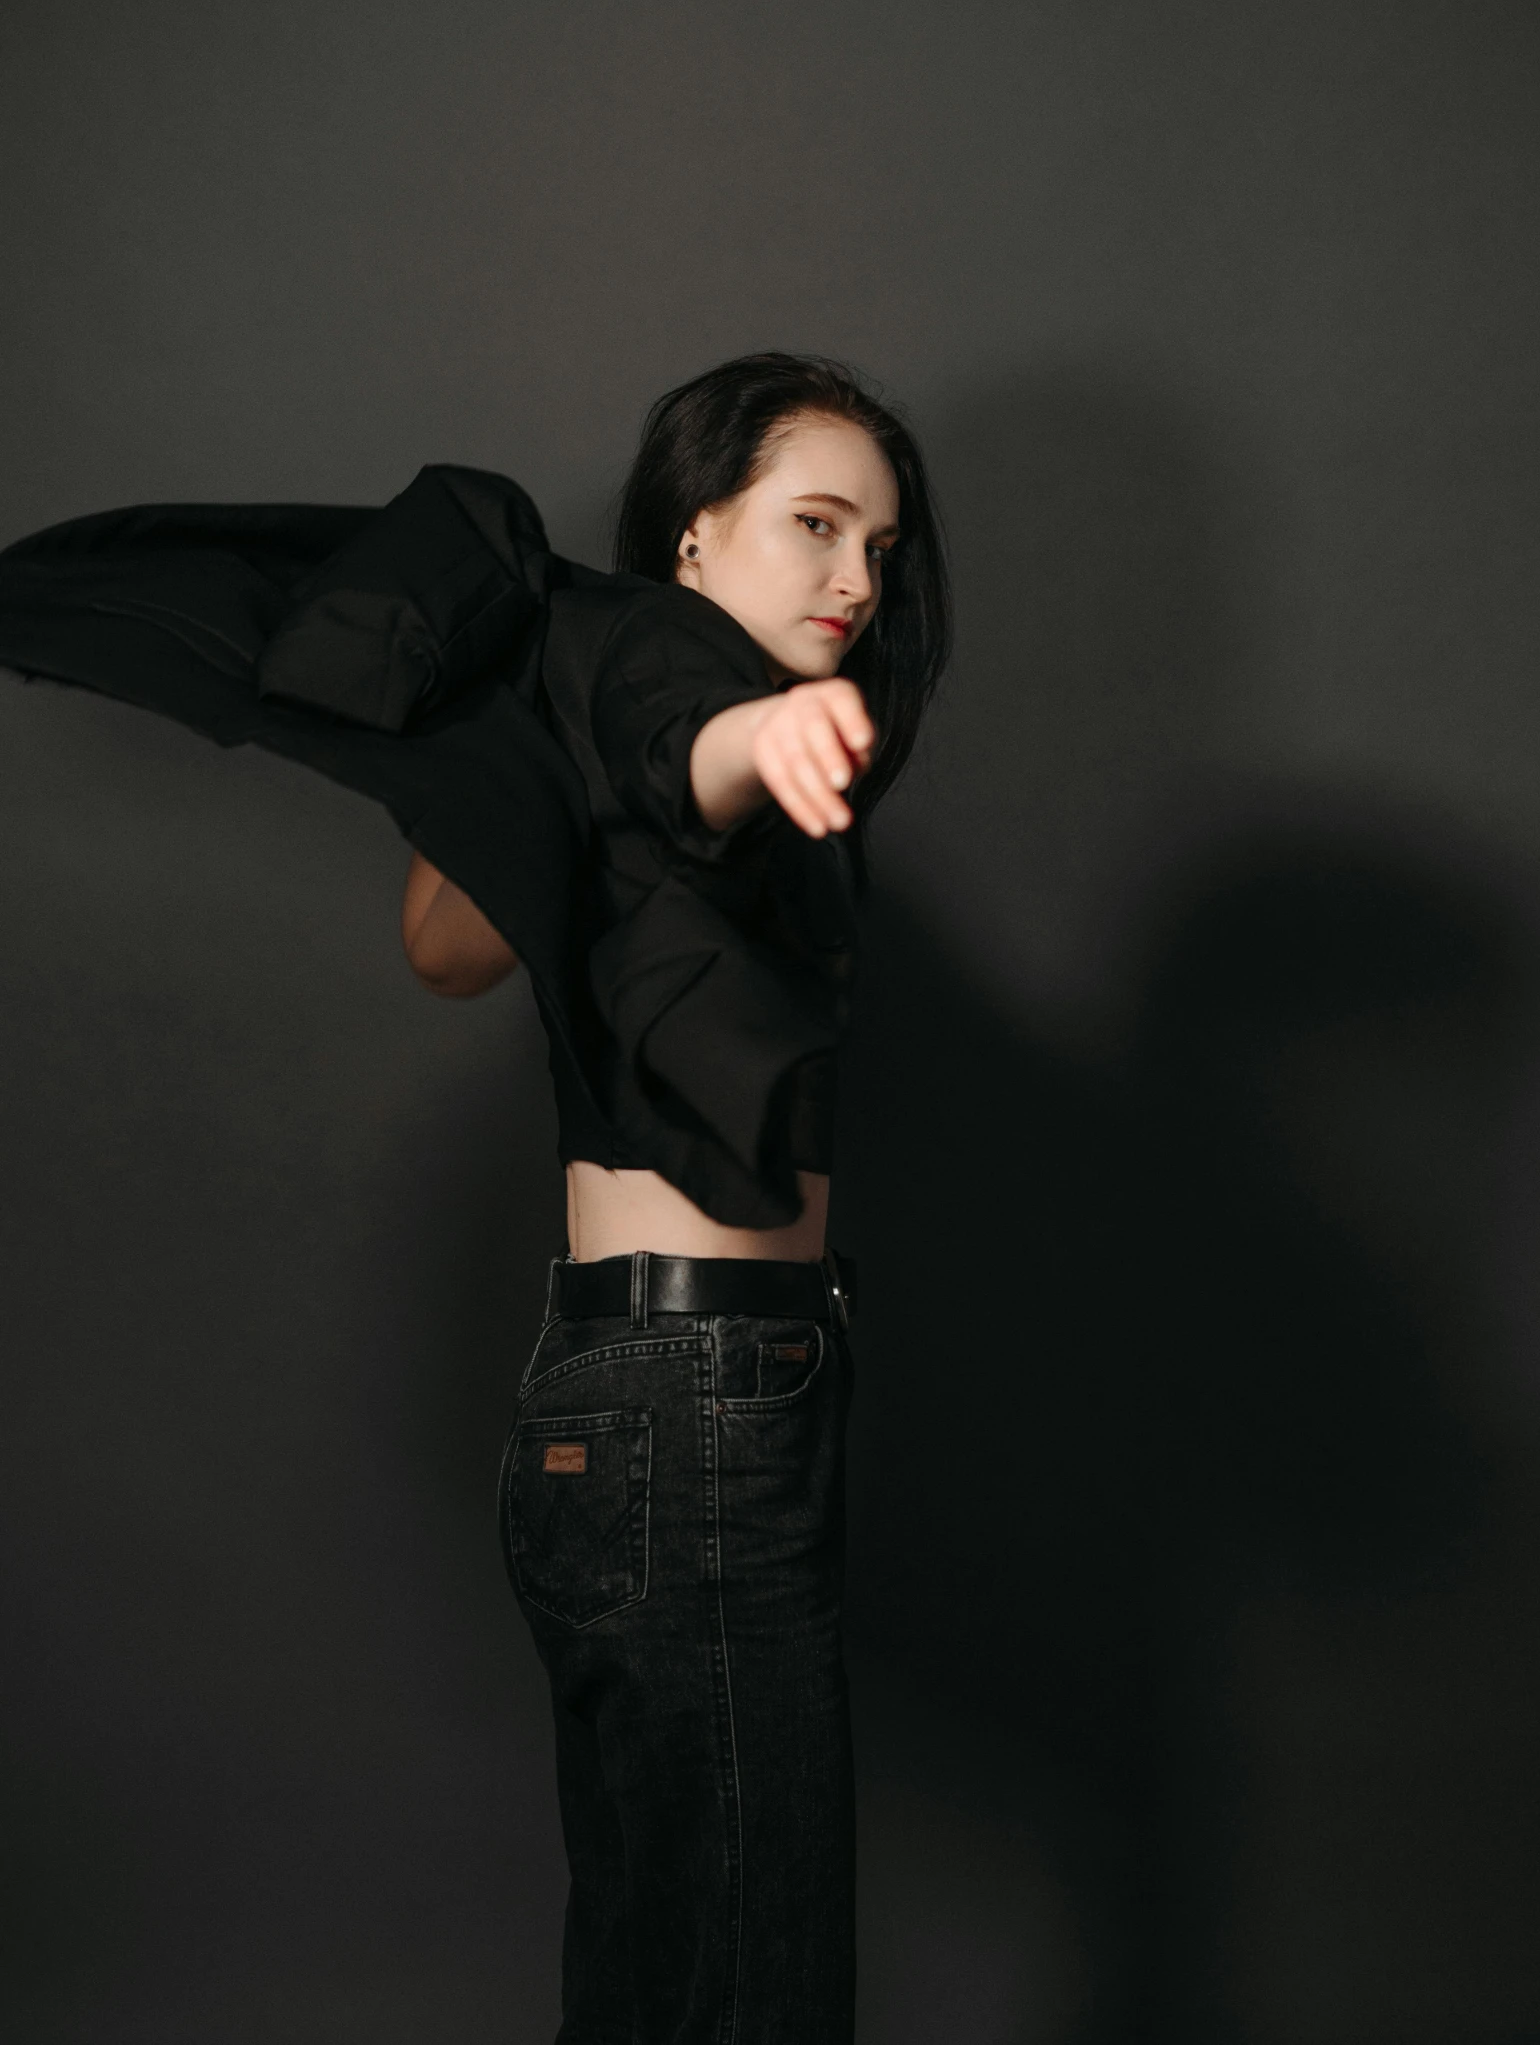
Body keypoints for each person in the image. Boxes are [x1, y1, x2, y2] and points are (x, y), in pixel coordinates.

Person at [0, 350, 951, 2042]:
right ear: (691, 537)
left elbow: (446, 947)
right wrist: (751, 734)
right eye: (814, 525)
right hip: (704, 1398)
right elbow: (692, 739)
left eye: (879, 547)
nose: (857, 581)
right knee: (749, 1971)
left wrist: (540, 784)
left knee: (670, 1955)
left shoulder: (579, 680)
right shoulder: (668, 665)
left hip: (628, 1394)